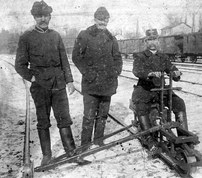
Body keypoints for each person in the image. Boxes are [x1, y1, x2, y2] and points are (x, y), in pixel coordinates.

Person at [15, 0, 77, 166]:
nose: (43, 19)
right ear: (34, 17)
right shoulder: (26, 38)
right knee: (43, 121)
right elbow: (19, 65)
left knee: (64, 119)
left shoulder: (56, 36)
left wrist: (69, 80)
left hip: (59, 84)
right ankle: (47, 157)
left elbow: (64, 60)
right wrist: (33, 78)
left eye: (45, 15)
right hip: (40, 86)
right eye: (39, 16)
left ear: (50, 16)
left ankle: (72, 152)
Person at [72, 7, 122, 147]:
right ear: (94, 19)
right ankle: (85, 144)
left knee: (103, 115)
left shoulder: (111, 37)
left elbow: (117, 58)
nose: (102, 22)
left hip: (107, 83)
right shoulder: (85, 35)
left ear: (108, 20)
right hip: (91, 83)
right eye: (100, 19)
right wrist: (87, 73)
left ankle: (99, 140)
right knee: (88, 116)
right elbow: (76, 56)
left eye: (105, 19)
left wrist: (116, 72)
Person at [131, 29, 188, 149]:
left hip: (162, 89)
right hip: (145, 89)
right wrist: (149, 74)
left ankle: (184, 137)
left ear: (158, 41)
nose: (152, 42)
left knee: (179, 103)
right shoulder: (140, 56)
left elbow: (171, 68)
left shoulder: (163, 57)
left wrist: (176, 73)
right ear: (146, 42)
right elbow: (137, 70)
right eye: (149, 39)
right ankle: (148, 138)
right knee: (141, 105)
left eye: (154, 39)